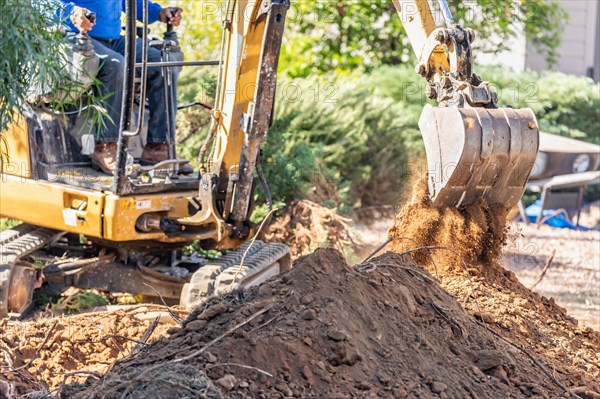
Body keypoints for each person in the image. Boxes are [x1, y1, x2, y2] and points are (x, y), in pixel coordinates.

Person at [57, 0, 192, 174]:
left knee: (165, 63)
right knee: (116, 65)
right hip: (75, 37)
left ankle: (158, 147)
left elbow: (130, 4)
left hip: (114, 40)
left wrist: (159, 13)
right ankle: (105, 147)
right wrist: (73, 12)